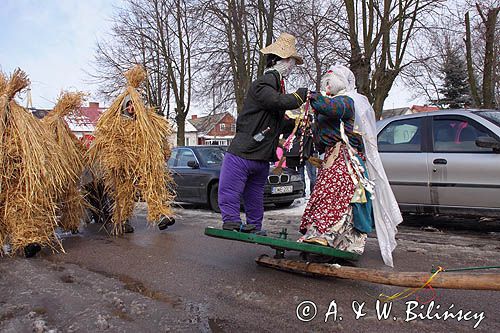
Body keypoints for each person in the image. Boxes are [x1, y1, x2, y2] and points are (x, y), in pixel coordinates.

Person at [299, 66, 402, 267]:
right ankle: (328, 240)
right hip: (332, 157)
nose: (326, 83)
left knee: (336, 195)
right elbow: (321, 137)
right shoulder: (334, 101)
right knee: (330, 196)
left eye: (331, 79)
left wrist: (311, 96)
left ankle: (328, 237)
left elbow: (331, 108)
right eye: (325, 80)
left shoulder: (347, 101)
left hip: (345, 159)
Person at [218, 32, 308, 234]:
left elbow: (276, 119)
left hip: (257, 156)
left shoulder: (274, 87)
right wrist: (299, 96)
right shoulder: (263, 84)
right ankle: (232, 221)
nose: (292, 67)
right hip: (244, 153)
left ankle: (254, 226)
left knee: (254, 194)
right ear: (283, 60)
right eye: (292, 61)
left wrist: (297, 124)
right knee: (232, 189)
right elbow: (276, 101)